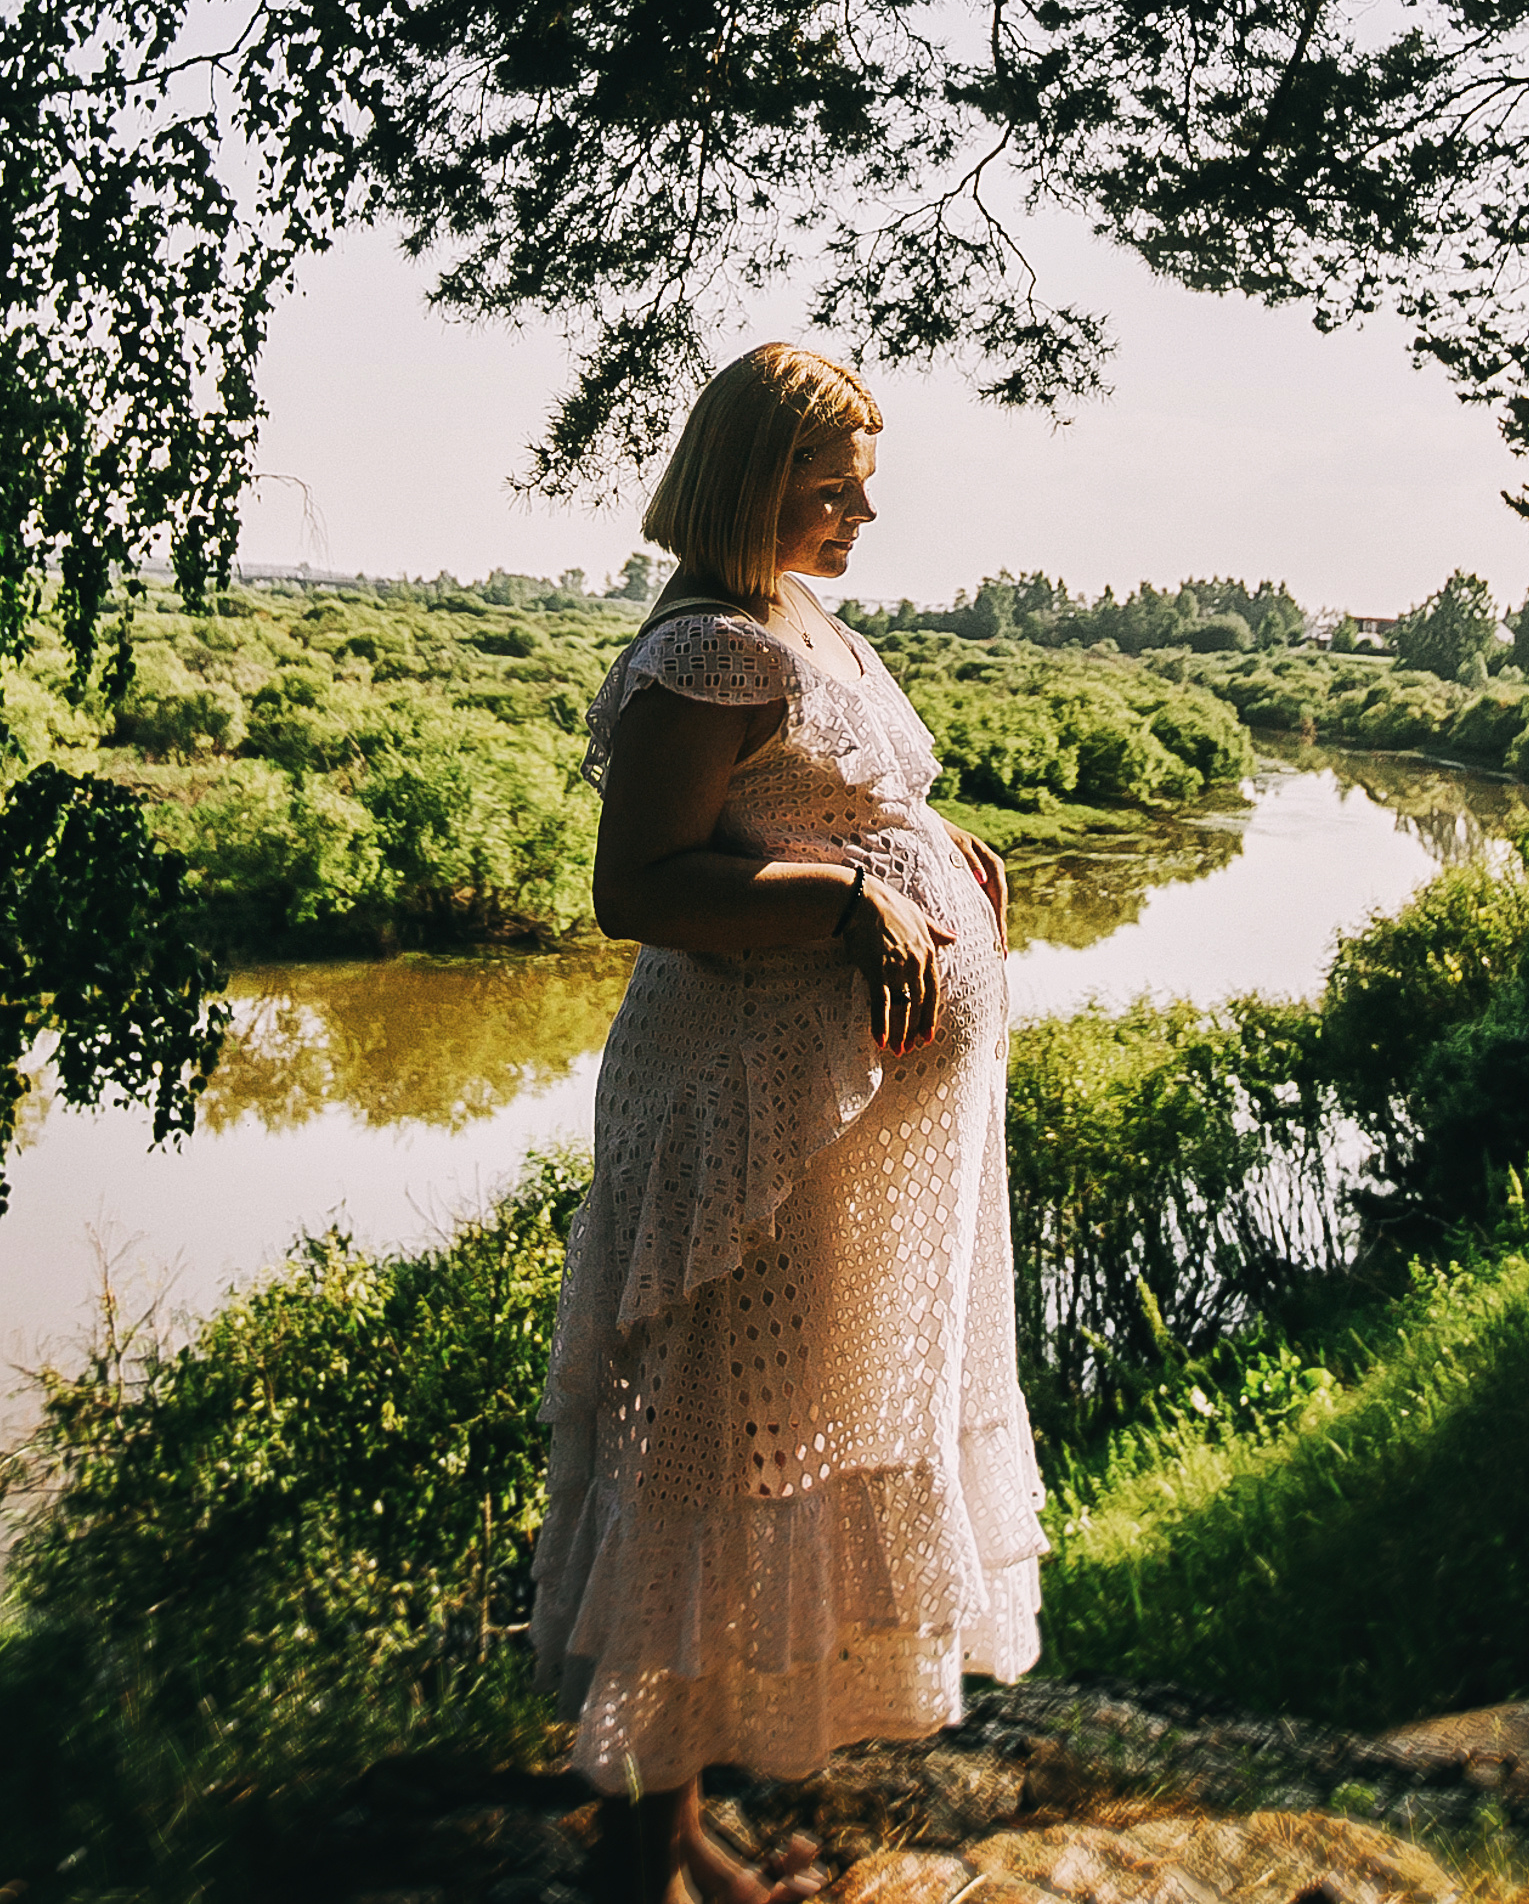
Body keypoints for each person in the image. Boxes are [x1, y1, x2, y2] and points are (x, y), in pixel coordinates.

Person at [531, 344, 1043, 1904]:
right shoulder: (703, 646)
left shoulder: (795, 621)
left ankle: (678, 1818)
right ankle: (645, 1847)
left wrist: (921, 847)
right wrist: (848, 901)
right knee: (704, 1452)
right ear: (758, 482)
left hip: (828, 1132)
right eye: (836, 488)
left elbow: (817, 791)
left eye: (866, 486)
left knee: (759, 1456)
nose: (864, 512)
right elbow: (644, 887)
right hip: (747, 1129)